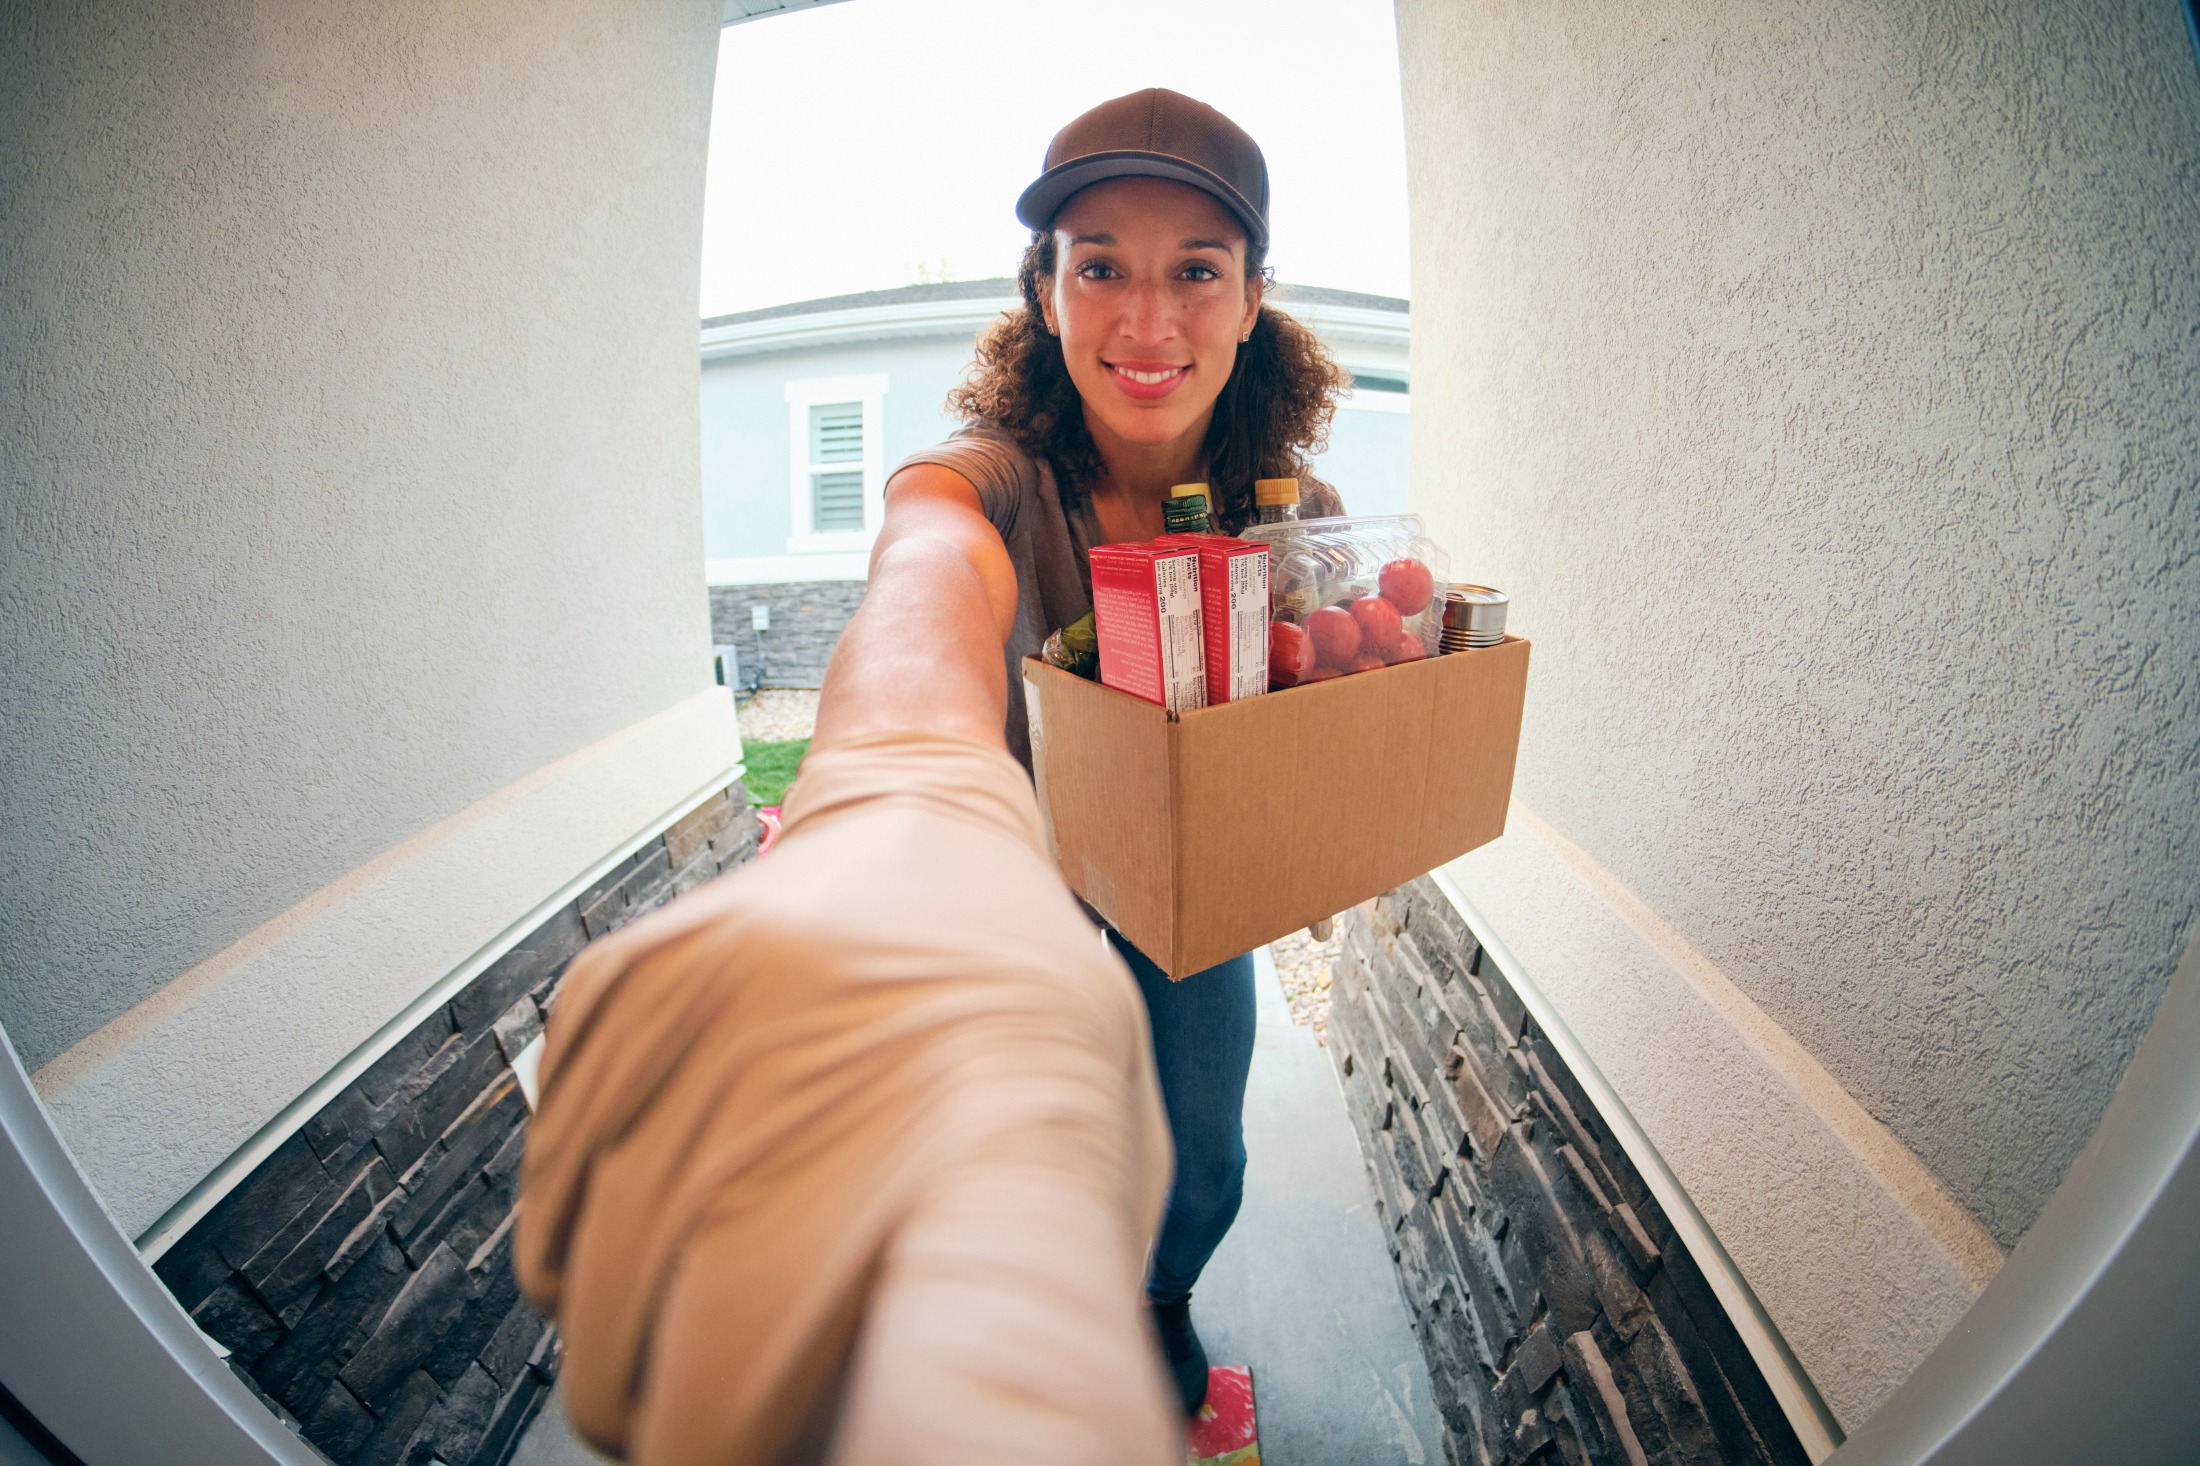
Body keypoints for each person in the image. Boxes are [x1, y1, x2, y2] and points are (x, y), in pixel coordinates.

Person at [886, 86, 1349, 1413]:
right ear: (1046, 291)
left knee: (1203, 1155)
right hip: (1013, 875)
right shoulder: (995, 480)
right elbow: (925, 545)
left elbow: (1313, 725)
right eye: (1101, 267)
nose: (1148, 323)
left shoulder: (1291, 516)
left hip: (1188, 889)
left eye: (1197, 270)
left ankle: (1156, 1298)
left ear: (1255, 295)